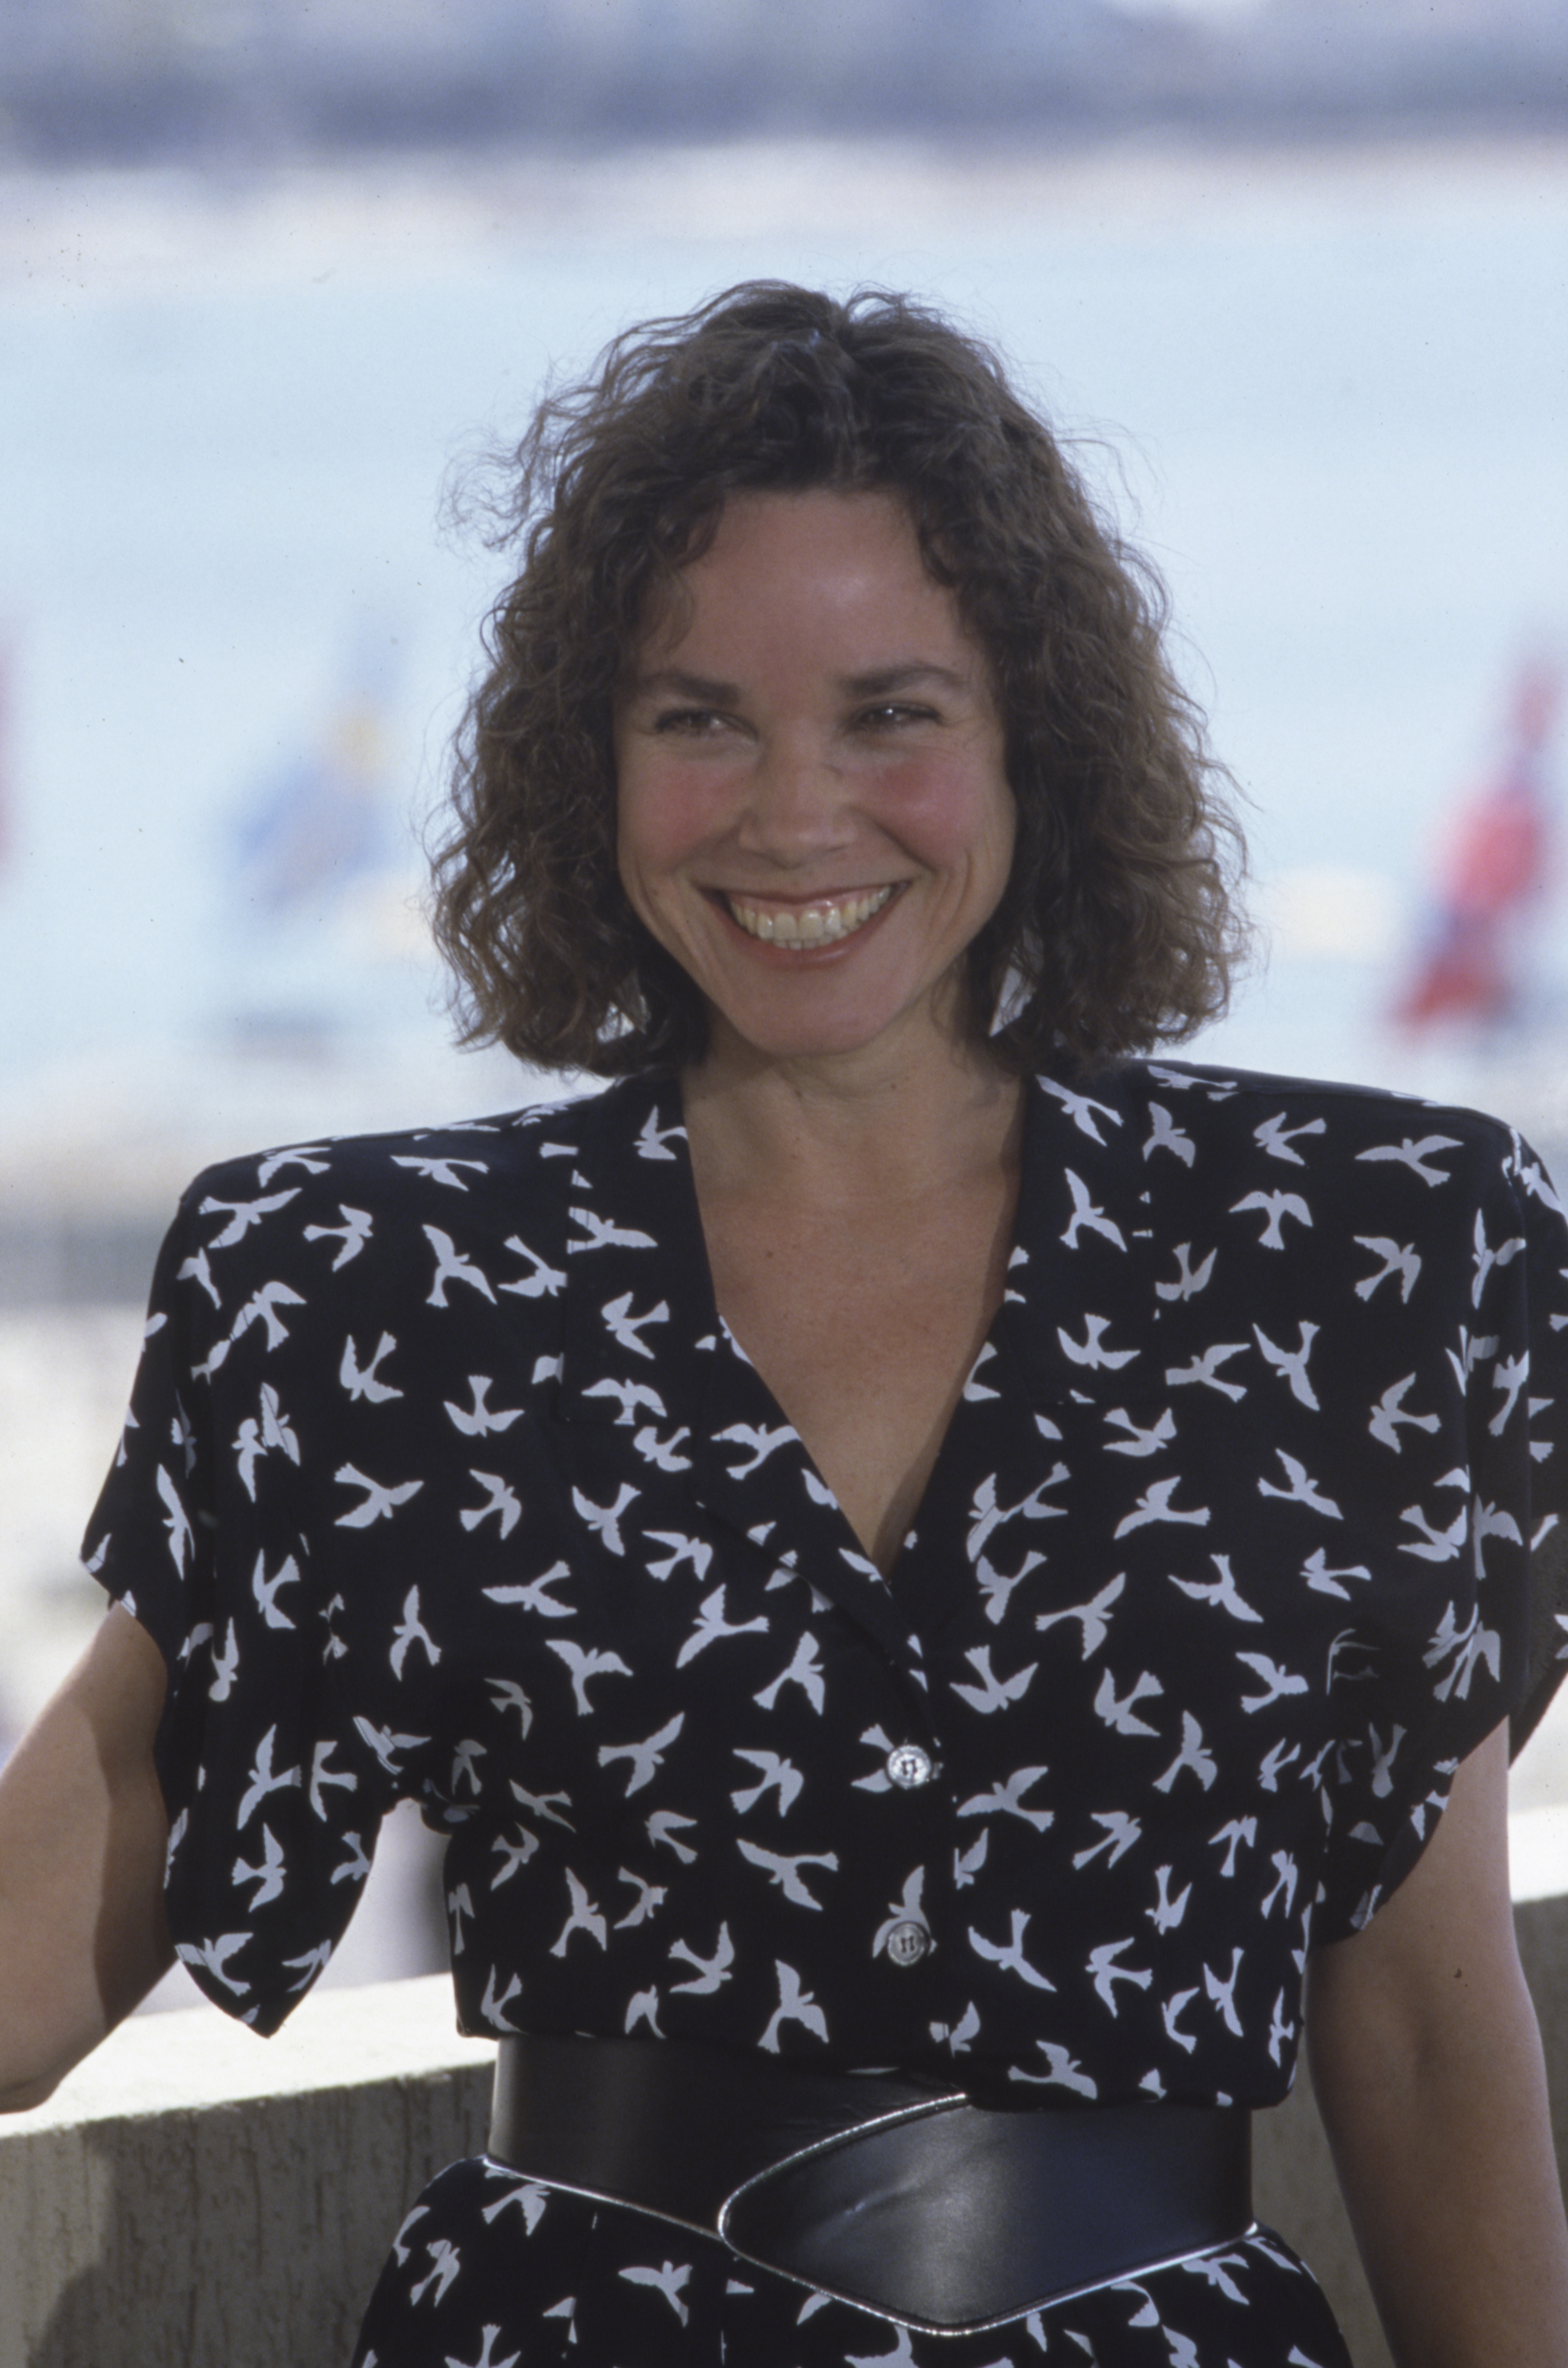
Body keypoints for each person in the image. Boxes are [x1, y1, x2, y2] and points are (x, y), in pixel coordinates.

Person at [3, 281, 1567, 2367]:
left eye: (891, 713)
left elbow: (1426, 2029)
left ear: (1037, 742)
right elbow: (39, 1959)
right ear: (593, 762)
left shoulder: (1371, 1259)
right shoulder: (385, 1297)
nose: (790, 813)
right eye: (697, 718)